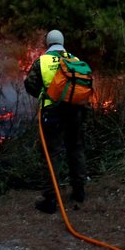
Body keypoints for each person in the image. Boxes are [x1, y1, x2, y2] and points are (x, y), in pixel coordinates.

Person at [24, 29, 88, 213]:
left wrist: (45, 95)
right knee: (76, 149)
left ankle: (51, 199)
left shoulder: (42, 61)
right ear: (62, 42)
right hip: (75, 111)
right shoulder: (74, 59)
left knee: (52, 155)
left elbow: (31, 85)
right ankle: (79, 191)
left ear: (48, 43)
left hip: (52, 113)